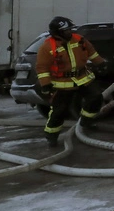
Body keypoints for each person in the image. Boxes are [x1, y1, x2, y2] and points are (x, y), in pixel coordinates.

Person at [35, 16, 108, 147]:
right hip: (62, 83)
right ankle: (51, 135)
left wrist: (101, 63)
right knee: (60, 111)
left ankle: (86, 121)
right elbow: (42, 67)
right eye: (66, 30)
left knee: (96, 97)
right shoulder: (47, 47)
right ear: (58, 32)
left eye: (70, 29)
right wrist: (45, 85)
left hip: (83, 78)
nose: (70, 32)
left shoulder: (79, 39)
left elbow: (92, 52)